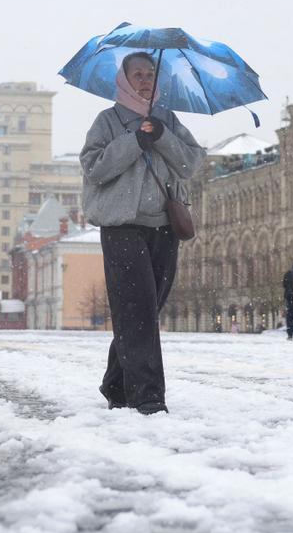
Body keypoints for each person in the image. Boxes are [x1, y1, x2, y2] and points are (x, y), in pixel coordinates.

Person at [81, 51, 205, 415]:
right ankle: (147, 396)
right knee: (136, 309)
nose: (145, 80)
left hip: (164, 227)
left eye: (150, 74)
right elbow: (95, 168)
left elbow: (191, 163)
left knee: (145, 310)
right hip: (122, 228)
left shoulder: (167, 118)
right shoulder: (108, 121)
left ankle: (116, 383)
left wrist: (162, 135)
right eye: (138, 74)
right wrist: (135, 139)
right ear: (123, 79)